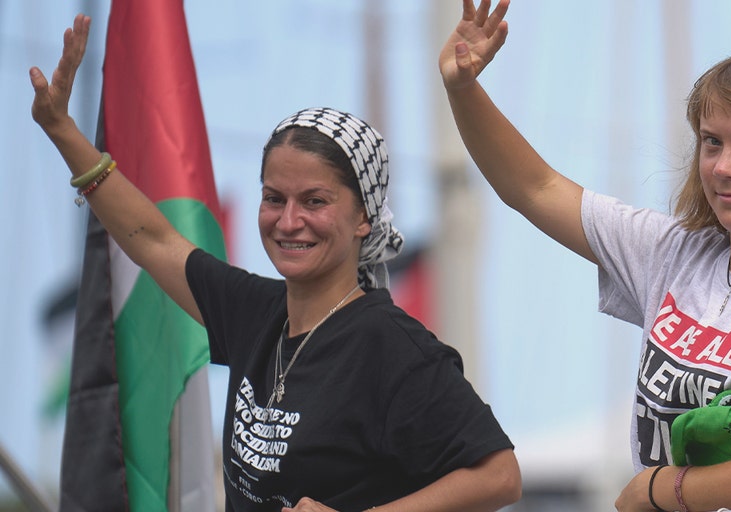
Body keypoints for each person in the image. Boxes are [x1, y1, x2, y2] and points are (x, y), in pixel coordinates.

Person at [31, 14, 521, 512]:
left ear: (363, 219)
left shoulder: (392, 347)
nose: (288, 222)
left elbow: (499, 474)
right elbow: (153, 239)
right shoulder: (254, 313)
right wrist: (62, 131)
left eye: (314, 201)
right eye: (273, 198)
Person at [439, 1, 731, 511]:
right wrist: (463, 87)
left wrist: (654, 490)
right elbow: (535, 188)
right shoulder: (676, 252)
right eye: (711, 142)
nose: (723, 166)